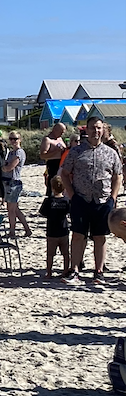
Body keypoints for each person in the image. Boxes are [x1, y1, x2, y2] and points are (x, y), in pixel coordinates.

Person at [59, 116, 122, 282]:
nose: (96, 131)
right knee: (78, 235)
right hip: (81, 199)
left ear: (103, 130)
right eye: (93, 128)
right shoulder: (76, 152)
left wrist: (113, 197)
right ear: (86, 130)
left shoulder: (111, 152)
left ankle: (99, 271)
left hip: (103, 201)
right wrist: (72, 194)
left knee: (100, 236)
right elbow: (65, 174)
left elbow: (118, 176)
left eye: (99, 128)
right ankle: (74, 270)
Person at [38, 176, 71, 280]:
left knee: (50, 254)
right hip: (63, 229)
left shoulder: (48, 201)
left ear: (52, 187)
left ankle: (49, 272)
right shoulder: (66, 201)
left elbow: (43, 213)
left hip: (52, 231)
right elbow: (69, 212)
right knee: (65, 253)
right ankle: (65, 270)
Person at [1, 131, 31, 238]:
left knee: (11, 209)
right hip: (9, 181)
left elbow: (10, 167)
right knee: (15, 209)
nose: (13, 141)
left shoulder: (19, 152)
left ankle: (12, 231)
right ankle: (27, 229)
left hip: (14, 182)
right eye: (11, 139)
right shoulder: (11, 152)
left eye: (15, 139)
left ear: (20, 139)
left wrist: (4, 167)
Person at [39, 121, 70, 195]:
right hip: (53, 163)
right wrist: (56, 151)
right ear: (55, 130)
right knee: (53, 184)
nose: (62, 134)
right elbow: (42, 155)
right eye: (61, 132)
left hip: (62, 163)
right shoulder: (47, 140)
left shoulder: (59, 138)